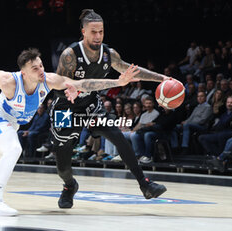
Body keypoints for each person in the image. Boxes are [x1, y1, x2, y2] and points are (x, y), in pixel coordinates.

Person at [0, 48, 140, 216]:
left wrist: (117, 82)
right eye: (35, 68)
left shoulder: (48, 80)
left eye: (41, 66)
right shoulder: (9, 81)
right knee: (13, 148)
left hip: (9, 125)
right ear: (24, 72)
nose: (40, 71)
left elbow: (82, 83)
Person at [50, 9, 177, 209]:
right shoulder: (70, 55)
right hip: (65, 109)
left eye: (101, 31)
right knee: (63, 164)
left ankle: (145, 184)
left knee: (117, 135)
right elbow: (70, 84)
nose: (98, 36)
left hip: (90, 105)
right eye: (93, 32)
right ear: (83, 31)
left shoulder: (109, 54)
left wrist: (163, 78)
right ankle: (69, 186)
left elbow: (130, 71)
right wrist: (115, 81)